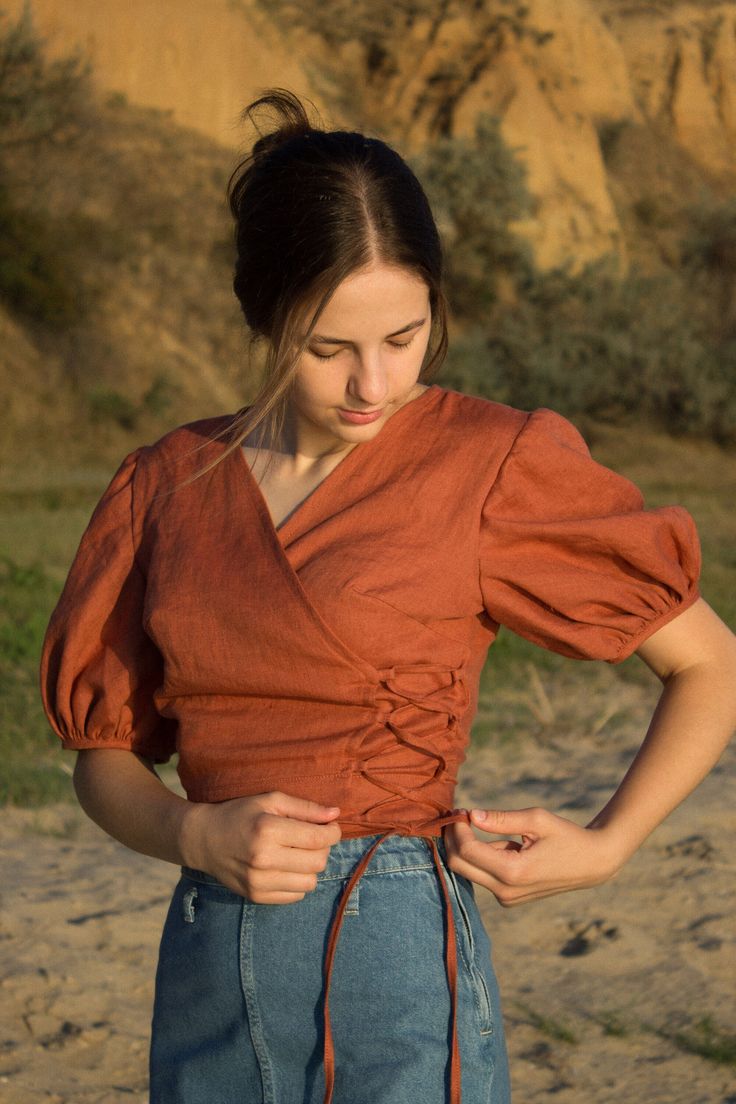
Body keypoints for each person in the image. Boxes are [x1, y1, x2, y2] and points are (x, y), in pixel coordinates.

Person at [39, 87, 736, 1104]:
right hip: (208, 964)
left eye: (403, 338)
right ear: (262, 313)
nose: (372, 383)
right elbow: (103, 759)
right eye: (329, 349)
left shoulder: (489, 463)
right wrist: (192, 833)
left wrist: (606, 846)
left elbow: (707, 662)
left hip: (395, 957)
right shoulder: (165, 482)